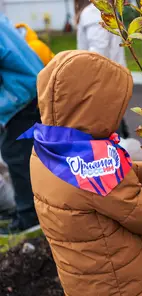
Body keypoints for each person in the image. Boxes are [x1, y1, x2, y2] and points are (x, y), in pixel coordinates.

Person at [19, 50, 142, 295]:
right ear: (93, 107)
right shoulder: (95, 165)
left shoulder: (48, 146)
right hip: (119, 281)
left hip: (85, 278)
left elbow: (114, 178)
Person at [0, 13, 44, 235]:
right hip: (32, 88)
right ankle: (41, 211)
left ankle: (30, 220)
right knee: (34, 155)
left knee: (17, 156)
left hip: (19, 96)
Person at [75, 0, 130, 138]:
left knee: (117, 136)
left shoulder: (103, 11)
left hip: (106, 87)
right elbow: (97, 56)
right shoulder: (96, 13)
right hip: (102, 89)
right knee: (111, 141)